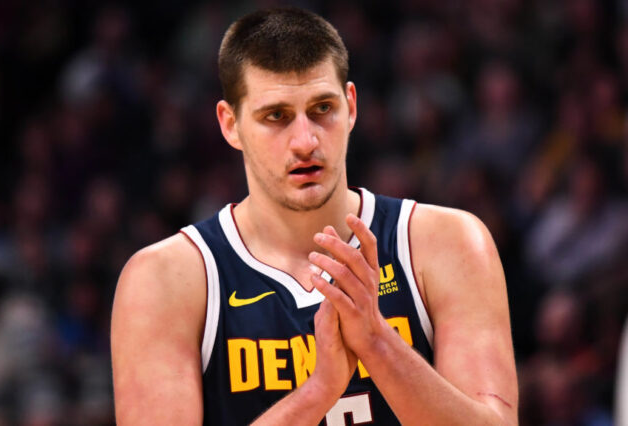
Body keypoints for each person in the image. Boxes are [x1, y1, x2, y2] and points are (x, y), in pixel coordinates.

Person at [111, 8, 518, 425]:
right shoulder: (166, 280)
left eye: (322, 108)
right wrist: (320, 390)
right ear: (230, 124)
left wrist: (378, 344)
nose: (305, 141)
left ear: (351, 106)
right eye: (276, 116)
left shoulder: (447, 243)